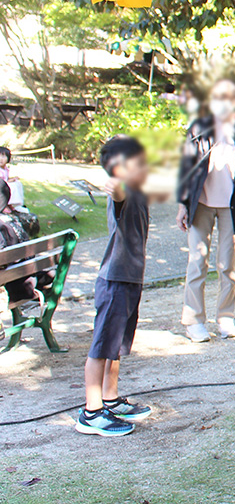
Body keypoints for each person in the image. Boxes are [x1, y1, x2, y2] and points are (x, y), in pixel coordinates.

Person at [75, 136, 153, 437]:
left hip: (131, 277)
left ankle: (110, 398)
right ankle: (91, 413)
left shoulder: (139, 188)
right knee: (101, 346)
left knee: (117, 345)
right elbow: (118, 193)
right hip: (115, 279)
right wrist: (115, 183)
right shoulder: (124, 189)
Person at [176, 79, 235, 343]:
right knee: (197, 263)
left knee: (227, 265)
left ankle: (226, 317)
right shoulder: (200, 128)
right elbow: (185, 167)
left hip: (231, 207)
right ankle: (193, 321)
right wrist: (181, 204)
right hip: (200, 204)